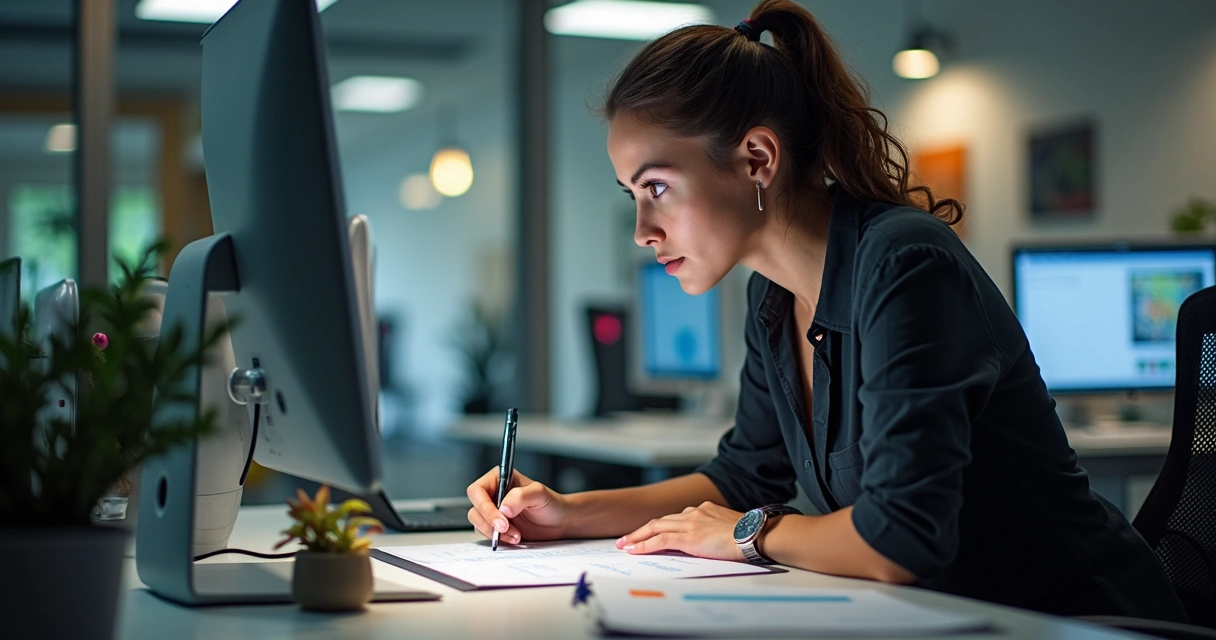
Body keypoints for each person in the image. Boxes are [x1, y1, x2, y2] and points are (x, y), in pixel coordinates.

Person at [466, 0, 1188, 621]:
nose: (642, 231)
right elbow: (743, 476)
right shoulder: (773, 296)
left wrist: (748, 533)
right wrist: (569, 512)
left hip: (1078, 621)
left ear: (756, 160)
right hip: (947, 616)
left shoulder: (904, 266)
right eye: (633, 195)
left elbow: (900, 536)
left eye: (657, 187)